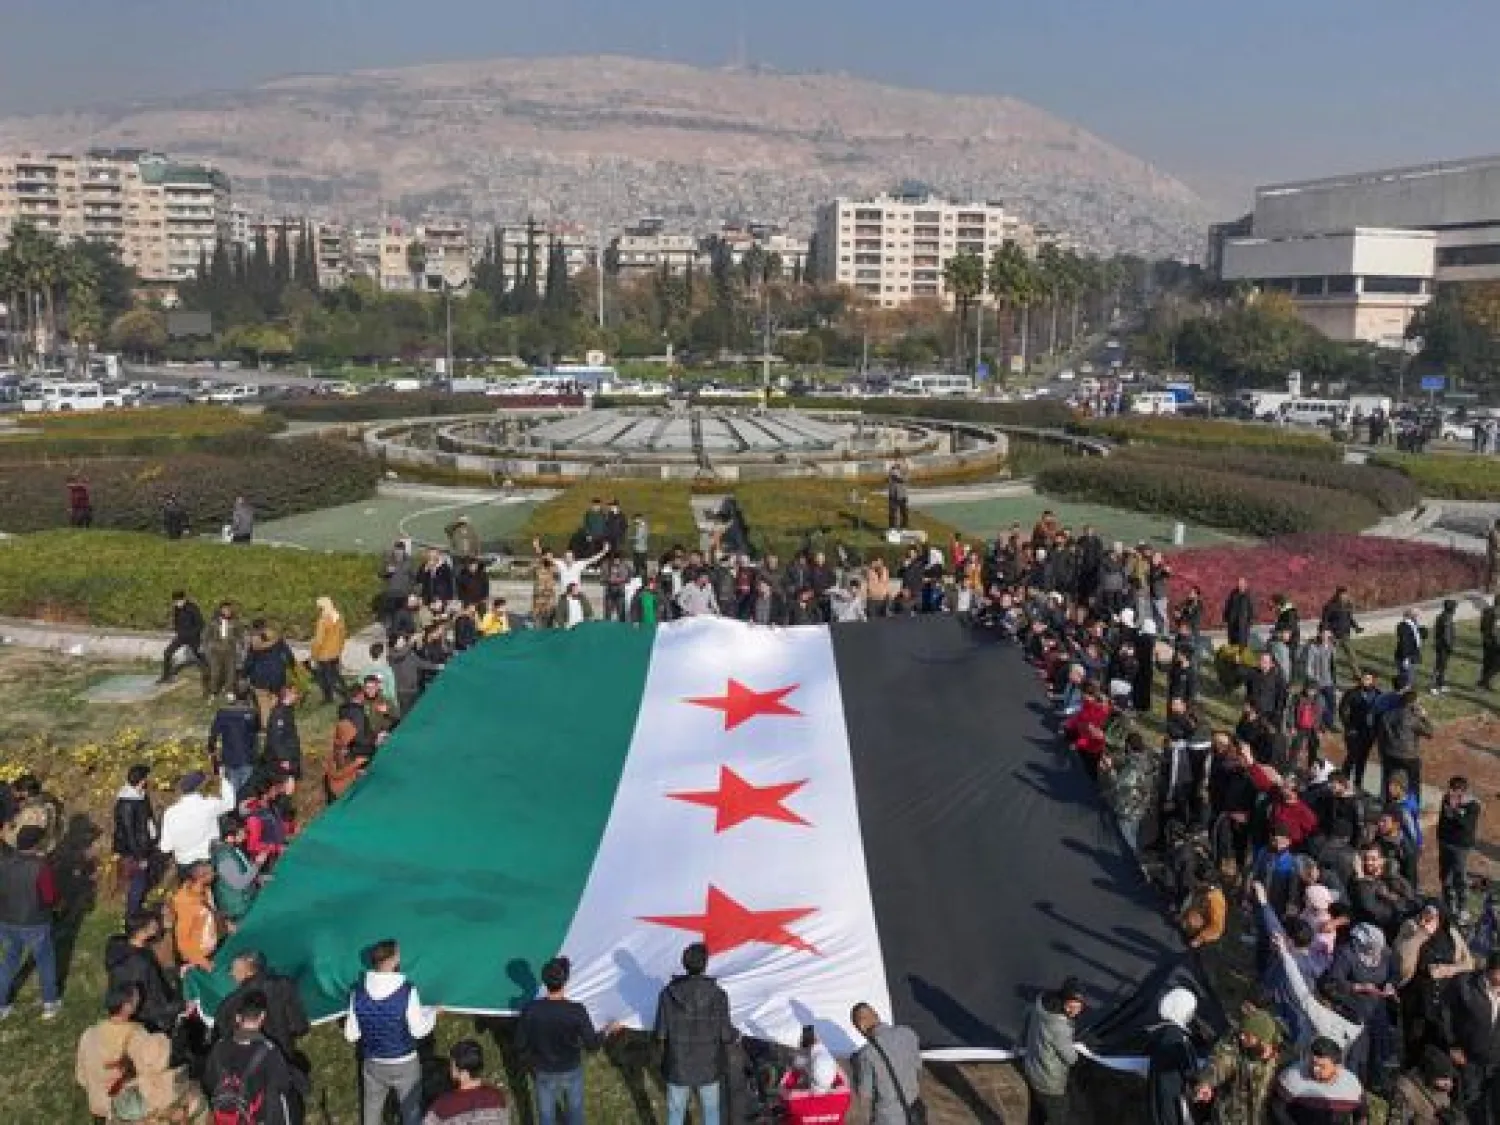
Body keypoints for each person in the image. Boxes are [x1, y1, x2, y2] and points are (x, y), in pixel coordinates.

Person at [75, 982, 206, 1125]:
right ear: (126, 1007)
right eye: (135, 998)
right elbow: (161, 1064)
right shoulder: (135, 1036)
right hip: (123, 1108)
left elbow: (81, 1076)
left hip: (97, 1105)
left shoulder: (89, 1034)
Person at [344, 938, 438, 1125]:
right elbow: (419, 1030)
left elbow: (351, 1034)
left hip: (373, 1063)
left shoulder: (358, 994)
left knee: (371, 1111)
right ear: (391, 960)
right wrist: (433, 1013)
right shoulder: (407, 992)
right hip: (405, 1063)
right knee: (411, 1112)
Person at [517, 956, 616, 1125]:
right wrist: (607, 1030)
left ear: (544, 980)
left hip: (543, 1069)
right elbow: (592, 1045)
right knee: (575, 1115)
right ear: (566, 980)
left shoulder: (530, 1010)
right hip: (571, 1068)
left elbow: (520, 1043)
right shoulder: (576, 1011)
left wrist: (531, 1058)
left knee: (546, 1118)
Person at [654, 942, 738, 1125]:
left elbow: (660, 1034)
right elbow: (726, 1034)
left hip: (677, 1064)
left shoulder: (667, 994)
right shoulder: (718, 995)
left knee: (675, 1113)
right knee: (711, 1111)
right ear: (705, 964)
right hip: (709, 1064)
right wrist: (736, 1035)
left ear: (684, 963)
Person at [203, 989, 309, 1125]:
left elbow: (209, 1080)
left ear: (237, 1017)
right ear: (262, 1017)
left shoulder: (219, 1046)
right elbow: (283, 1086)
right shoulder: (269, 1051)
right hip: (254, 1117)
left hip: (226, 1114)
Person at [0, 824, 61, 1019]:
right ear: (37, 844)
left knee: (9, 961)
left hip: (8, 920)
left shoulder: (4, 864)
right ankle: (50, 1003)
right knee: (45, 961)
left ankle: (2, 1005)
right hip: (35, 921)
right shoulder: (41, 867)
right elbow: (50, 897)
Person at [1192, 1007, 1283, 1125]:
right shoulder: (1236, 1044)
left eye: (1248, 1035)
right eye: (1242, 1032)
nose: (1242, 1037)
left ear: (1262, 1039)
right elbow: (1222, 1061)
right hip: (1228, 1118)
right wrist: (1207, 1082)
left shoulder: (1279, 1058)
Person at [1437, 951, 1500, 1122]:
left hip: (1495, 1064)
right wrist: (1452, 1045)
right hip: (1469, 1060)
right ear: (1492, 970)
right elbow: (1444, 1013)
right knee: (1470, 1108)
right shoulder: (1465, 985)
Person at [103, 910, 184, 1035]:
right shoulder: (141, 964)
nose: (157, 925)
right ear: (142, 932)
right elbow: (156, 1002)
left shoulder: (120, 948)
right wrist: (180, 1004)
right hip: (152, 1022)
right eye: (153, 925)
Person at [1020, 977, 1085, 1124]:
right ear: (1063, 1001)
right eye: (1071, 1006)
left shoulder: (1041, 1004)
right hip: (1049, 1082)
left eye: (1078, 1008)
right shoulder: (1059, 1026)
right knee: (1059, 1114)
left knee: (1036, 1112)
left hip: (1032, 1069)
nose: (1074, 1012)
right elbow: (1070, 1058)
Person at [850, 1001, 922, 1125]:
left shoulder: (867, 1054)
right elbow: (918, 1069)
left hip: (888, 1118)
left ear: (861, 1026)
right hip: (915, 1111)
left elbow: (865, 1096)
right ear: (877, 1015)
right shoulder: (908, 1034)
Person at [1270, 1037, 1365, 1124]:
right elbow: (1277, 1109)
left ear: (1337, 1066)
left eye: (1322, 1066)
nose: (1315, 1069)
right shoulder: (1293, 1076)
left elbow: (1361, 1114)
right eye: (1313, 1063)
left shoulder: (1351, 1084)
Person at [158, 770, 236, 876]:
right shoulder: (209, 805)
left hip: (184, 865)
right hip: (207, 862)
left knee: (189, 891)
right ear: (200, 788)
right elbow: (229, 804)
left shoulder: (170, 813)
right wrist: (223, 779)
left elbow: (165, 846)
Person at [424, 1038, 510, 1124]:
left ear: (463, 1072)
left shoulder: (443, 1106)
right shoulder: (497, 1097)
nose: (449, 1069)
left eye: (452, 1065)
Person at [111, 763, 159, 918]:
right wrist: (140, 857)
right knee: (138, 881)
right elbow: (129, 833)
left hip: (142, 845)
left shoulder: (140, 796)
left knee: (140, 880)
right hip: (133, 851)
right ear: (142, 780)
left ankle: (135, 908)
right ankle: (132, 914)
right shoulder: (127, 804)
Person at [1147, 988, 1200, 1125]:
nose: (1192, 1014)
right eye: (1190, 1009)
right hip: (1174, 1102)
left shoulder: (1165, 1032)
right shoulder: (1175, 1037)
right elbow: (1189, 1071)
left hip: (1166, 1100)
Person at [1438, 777, 1481, 922]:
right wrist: (1441, 837)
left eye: (1454, 790)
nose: (1451, 793)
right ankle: (1447, 905)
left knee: (1459, 877)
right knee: (1445, 876)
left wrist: (1455, 810)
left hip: (1461, 847)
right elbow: (1443, 820)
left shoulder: (1473, 806)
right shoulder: (1447, 798)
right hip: (1445, 843)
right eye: (1450, 789)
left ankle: (1462, 908)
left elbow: (1466, 825)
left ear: (1462, 792)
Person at [211, 814, 265, 928]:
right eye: (241, 834)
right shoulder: (224, 857)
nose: (245, 836)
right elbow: (239, 883)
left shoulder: (233, 848)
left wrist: (257, 877)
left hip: (245, 898)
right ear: (229, 837)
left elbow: (244, 869)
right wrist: (258, 864)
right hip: (238, 906)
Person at [243, 620, 297, 726]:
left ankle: (267, 728)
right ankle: (277, 723)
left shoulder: (254, 643)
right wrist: (292, 668)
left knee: (263, 704)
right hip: (278, 675)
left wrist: (244, 674)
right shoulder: (278, 640)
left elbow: (249, 661)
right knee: (275, 699)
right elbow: (289, 656)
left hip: (260, 677)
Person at [170, 860, 219, 974]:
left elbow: (210, 913)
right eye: (211, 872)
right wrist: (203, 962)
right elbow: (182, 941)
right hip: (198, 959)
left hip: (210, 949)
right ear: (201, 877)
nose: (215, 874)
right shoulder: (186, 905)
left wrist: (225, 925)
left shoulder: (205, 890)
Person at [207, 689, 260, 793]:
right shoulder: (252, 713)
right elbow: (257, 728)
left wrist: (212, 751)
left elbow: (213, 735)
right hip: (248, 757)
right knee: (246, 793)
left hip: (230, 758)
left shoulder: (223, 713)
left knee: (232, 792)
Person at [1387, 1047, 1457, 1125]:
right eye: (1444, 1078)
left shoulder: (1440, 1089)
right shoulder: (1406, 1090)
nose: (1449, 1083)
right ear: (1430, 1075)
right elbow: (1396, 1121)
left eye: (1449, 1077)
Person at [160, 589, 206, 686]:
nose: (177, 603)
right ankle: (165, 677)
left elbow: (201, 624)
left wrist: (193, 634)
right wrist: (178, 630)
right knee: (167, 653)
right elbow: (176, 621)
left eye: (179, 600)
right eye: (175, 601)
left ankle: (209, 673)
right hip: (181, 636)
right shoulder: (177, 609)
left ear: (184, 599)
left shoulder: (193, 608)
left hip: (193, 637)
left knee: (200, 656)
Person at [203, 601, 244, 700]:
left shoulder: (235, 622)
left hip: (230, 650)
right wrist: (208, 647)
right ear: (221, 610)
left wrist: (240, 645)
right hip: (216, 651)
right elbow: (206, 635)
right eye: (225, 609)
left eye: (229, 609)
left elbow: (240, 635)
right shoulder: (213, 622)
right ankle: (213, 691)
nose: (227, 611)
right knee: (215, 672)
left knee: (231, 672)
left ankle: (229, 691)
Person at [310, 596, 348, 705]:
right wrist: (340, 649)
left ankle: (328, 698)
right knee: (336, 674)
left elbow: (318, 641)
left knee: (324, 678)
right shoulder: (339, 617)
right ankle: (346, 692)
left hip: (324, 654)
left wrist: (314, 655)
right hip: (335, 652)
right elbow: (343, 635)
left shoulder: (322, 621)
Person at [265, 683, 304, 779]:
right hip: (283, 761)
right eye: (294, 693)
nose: (297, 696)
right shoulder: (279, 714)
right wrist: (283, 759)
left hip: (290, 756)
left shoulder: (288, 711)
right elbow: (276, 738)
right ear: (288, 694)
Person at [1431, 599, 1457, 695]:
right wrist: (1450, 646)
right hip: (1443, 647)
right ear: (1451, 608)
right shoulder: (1446, 618)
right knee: (1439, 667)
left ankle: (1441, 684)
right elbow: (1446, 635)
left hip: (1442, 646)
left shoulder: (1444, 616)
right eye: (1454, 608)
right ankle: (1433, 686)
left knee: (1442, 667)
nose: (1455, 610)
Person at [1394, 608, 1423, 691]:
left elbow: (1424, 634)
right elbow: (1404, 644)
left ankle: (1408, 691)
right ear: (1412, 616)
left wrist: (1418, 625)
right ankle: (1405, 692)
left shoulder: (1413, 625)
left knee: (1411, 676)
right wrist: (1405, 658)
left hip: (1412, 655)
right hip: (1406, 656)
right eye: (1418, 616)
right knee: (1407, 678)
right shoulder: (1404, 627)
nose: (1419, 618)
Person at [1225, 577, 1255, 649]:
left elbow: (1251, 609)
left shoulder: (1248, 595)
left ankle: (1242, 658)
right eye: (1238, 583)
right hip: (1232, 623)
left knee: (1242, 643)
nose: (1239, 585)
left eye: (1241, 583)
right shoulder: (1233, 593)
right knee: (1232, 643)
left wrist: (1250, 621)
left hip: (1243, 624)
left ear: (1245, 584)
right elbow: (1228, 606)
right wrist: (1227, 618)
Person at [886, 459, 909, 531]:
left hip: (902, 495)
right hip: (893, 494)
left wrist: (898, 474)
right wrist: (894, 473)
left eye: (899, 461)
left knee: (904, 512)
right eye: (896, 461)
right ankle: (892, 528)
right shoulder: (892, 470)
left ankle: (904, 527)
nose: (897, 463)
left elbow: (904, 479)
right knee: (892, 513)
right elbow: (890, 478)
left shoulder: (905, 470)